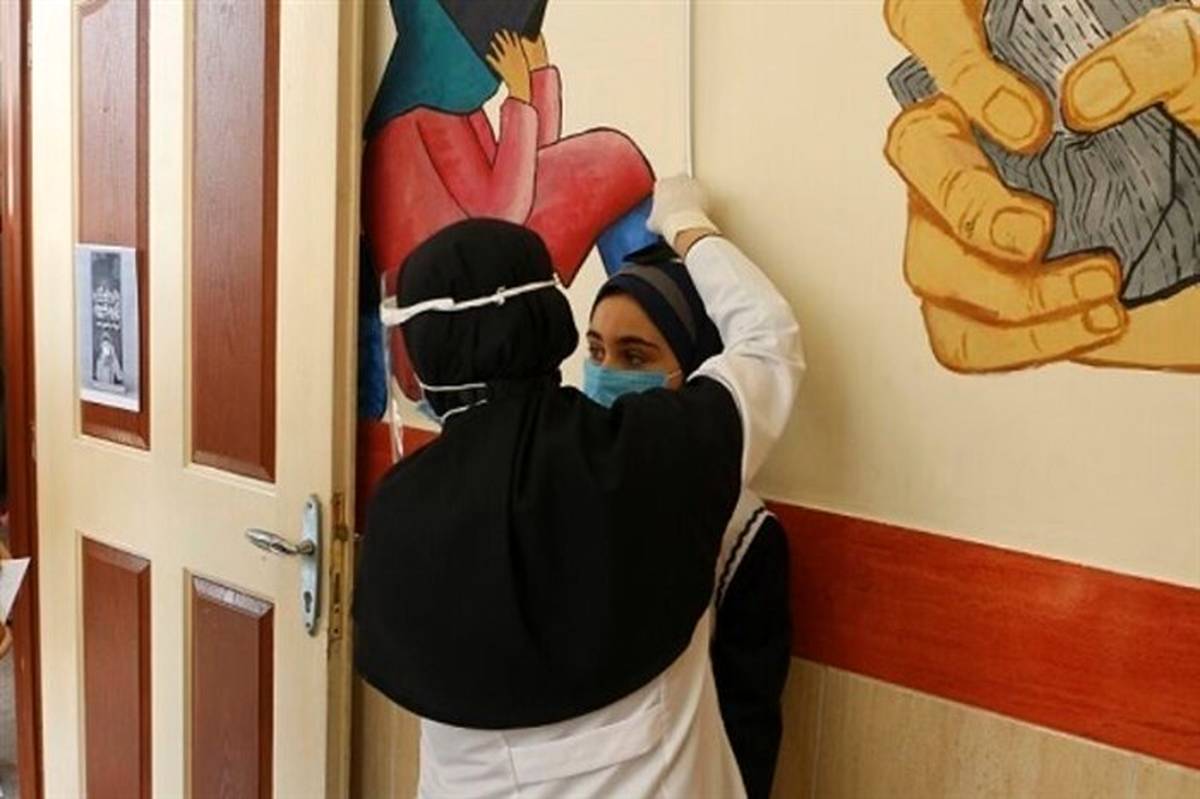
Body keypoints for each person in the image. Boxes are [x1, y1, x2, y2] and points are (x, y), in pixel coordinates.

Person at [354, 177, 804, 798]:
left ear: (425, 355)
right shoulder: (649, 459)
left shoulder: (400, 513)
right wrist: (686, 224)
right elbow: (768, 344)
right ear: (552, 322)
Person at [363, 0, 656, 398]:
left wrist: (537, 81)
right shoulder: (426, 118)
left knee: (610, 167)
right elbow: (502, 213)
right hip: (454, 328)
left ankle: (642, 319)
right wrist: (519, 96)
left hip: (477, 288)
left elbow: (525, 171)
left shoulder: (451, 109)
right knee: (610, 162)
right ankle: (643, 323)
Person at [585, 241, 791, 799]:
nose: (604, 375)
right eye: (595, 350)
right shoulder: (558, 484)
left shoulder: (741, 531)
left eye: (634, 358)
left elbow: (749, 719)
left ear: (698, 368)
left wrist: (688, 228)